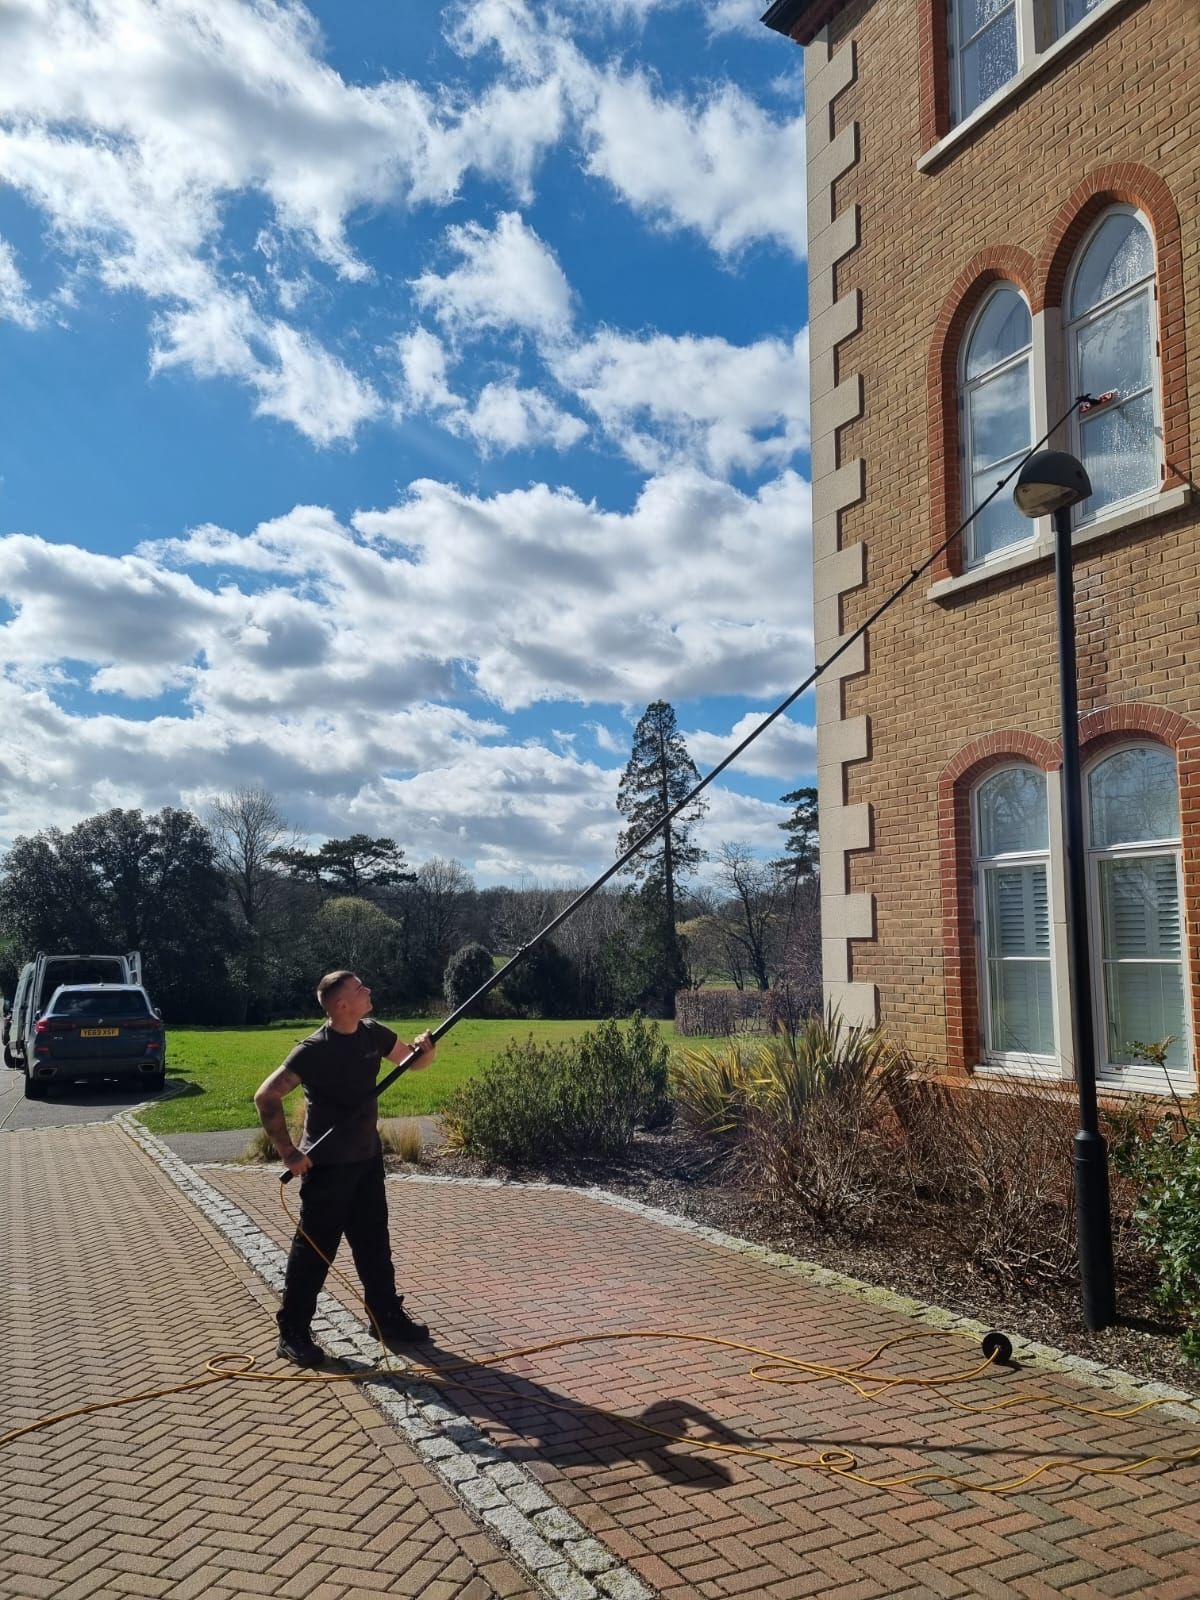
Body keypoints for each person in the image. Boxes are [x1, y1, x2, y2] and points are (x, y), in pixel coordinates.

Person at [254, 969, 437, 1368]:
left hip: (367, 1161)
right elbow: (266, 1096)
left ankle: (385, 1318)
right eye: (359, 989)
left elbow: (410, 1062)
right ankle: (293, 1333)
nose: (368, 991)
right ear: (341, 1005)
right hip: (327, 1169)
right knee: (315, 1254)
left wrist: (425, 1051)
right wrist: (288, 1153)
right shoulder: (313, 1049)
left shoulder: (373, 1033)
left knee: (374, 1244)